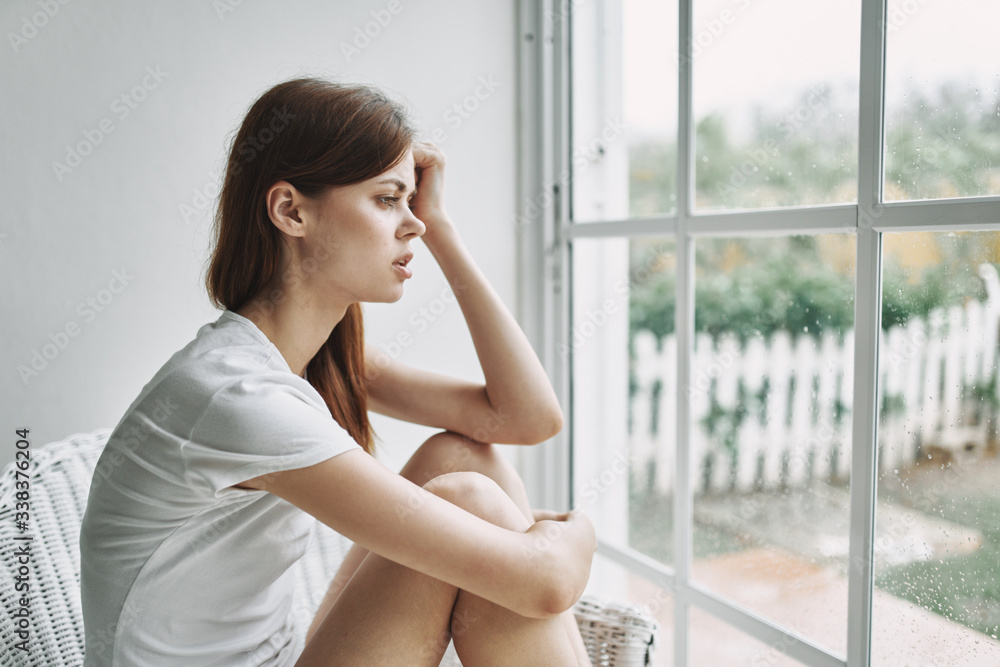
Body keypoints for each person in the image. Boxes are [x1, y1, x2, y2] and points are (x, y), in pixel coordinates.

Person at [79, 77, 595, 666]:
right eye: (386, 199)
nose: (415, 224)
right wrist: (575, 532)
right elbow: (545, 582)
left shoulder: (301, 363)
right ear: (290, 211)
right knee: (471, 500)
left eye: (411, 202)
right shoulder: (239, 397)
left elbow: (525, 417)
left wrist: (442, 228)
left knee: (462, 459)